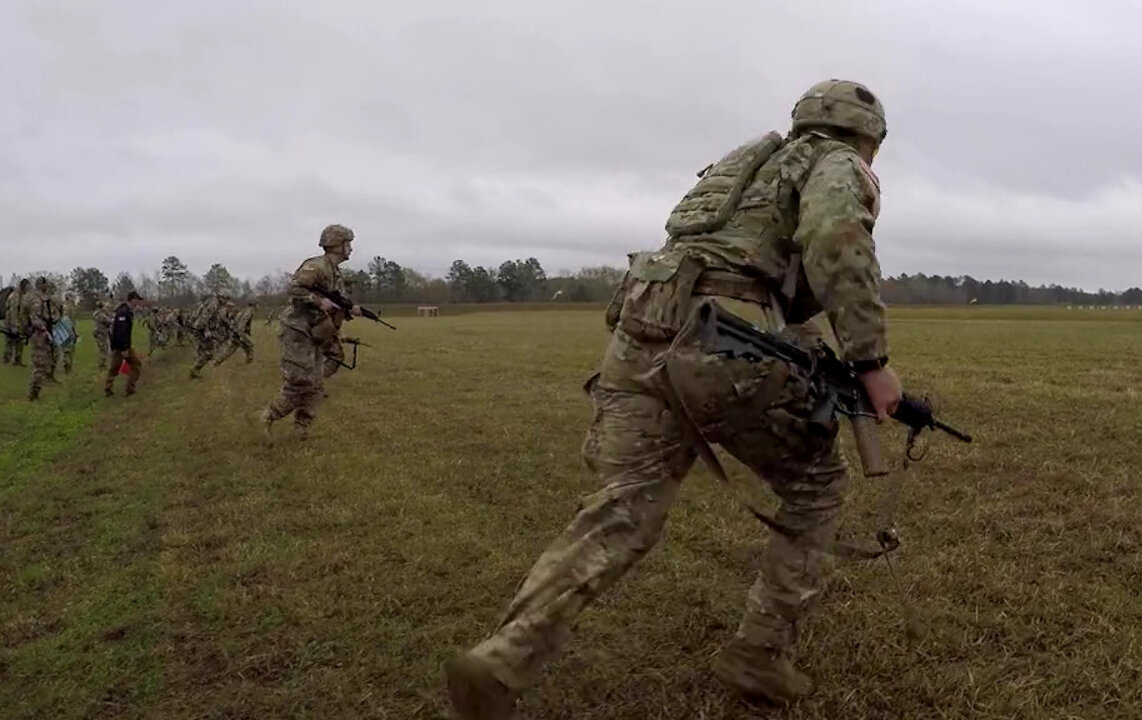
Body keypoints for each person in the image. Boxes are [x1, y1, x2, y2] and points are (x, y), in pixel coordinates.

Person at [445, 79, 903, 719]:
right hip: (722, 343)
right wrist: (871, 362)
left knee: (623, 507)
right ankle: (760, 654)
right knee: (817, 487)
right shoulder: (834, 163)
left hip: (643, 336)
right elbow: (835, 240)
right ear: (867, 138)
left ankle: (502, 660)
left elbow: (753, 274)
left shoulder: (742, 169)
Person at [256, 224, 360, 444]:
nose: (350, 248)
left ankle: (301, 428)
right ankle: (267, 417)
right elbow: (295, 289)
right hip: (298, 330)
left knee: (316, 384)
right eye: (347, 244)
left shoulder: (335, 273)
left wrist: (350, 309)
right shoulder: (316, 266)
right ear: (336, 245)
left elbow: (337, 302)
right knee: (300, 382)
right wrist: (319, 301)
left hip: (317, 331)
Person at [19, 277, 55, 401]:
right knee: (40, 365)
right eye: (46, 284)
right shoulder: (36, 298)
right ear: (42, 285)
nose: (47, 286)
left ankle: (35, 392)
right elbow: (34, 317)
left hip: (39, 332)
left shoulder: (33, 297)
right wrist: (44, 331)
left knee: (42, 364)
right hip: (39, 334)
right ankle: (33, 394)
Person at [104, 291, 145, 397]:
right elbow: (121, 331)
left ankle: (130, 389)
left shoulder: (128, 311)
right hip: (120, 346)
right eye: (137, 300)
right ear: (132, 299)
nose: (138, 302)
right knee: (115, 368)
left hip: (125, 345)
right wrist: (124, 348)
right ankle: (108, 389)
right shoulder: (123, 312)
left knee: (136, 365)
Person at [212, 298, 256, 366]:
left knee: (231, 349)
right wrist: (241, 335)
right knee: (250, 345)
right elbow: (242, 323)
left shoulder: (244, 310)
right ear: (254, 305)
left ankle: (216, 362)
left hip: (235, 332)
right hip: (238, 333)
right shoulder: (249, 311)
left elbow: (236, 320)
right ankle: (249, 362)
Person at [4, 278, 29, 366]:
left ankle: (18, 360)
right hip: (12, 322)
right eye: (27, 287)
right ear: (23, 286)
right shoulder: (15, 295)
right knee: (10, 341)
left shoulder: (21, 295)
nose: (28, 289)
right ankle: (6, 360)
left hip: (19, 322)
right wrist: (14, 325)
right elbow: (13, 311)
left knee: (19, 341)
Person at [92, 300, 113, 370]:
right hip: (101, 333)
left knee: (101, 349)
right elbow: (109, 321)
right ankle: (102, 365)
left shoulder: (96, 313)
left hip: (97, 333)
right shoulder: (101, 315)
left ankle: (102, 364)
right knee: (103, 350)